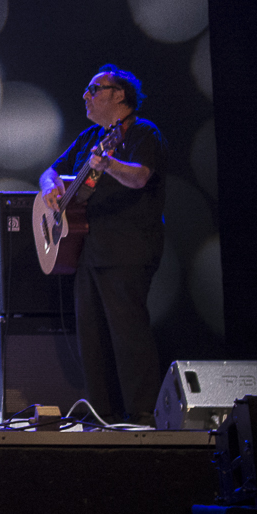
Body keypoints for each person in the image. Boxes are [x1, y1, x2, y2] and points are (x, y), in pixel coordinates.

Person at [38, 66, 165, 424]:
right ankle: (100, 416)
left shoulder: (142, 132)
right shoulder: (89, 136)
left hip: (126, 248)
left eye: (94, 88)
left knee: (128, 335)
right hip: (87, 251)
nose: (86, 96)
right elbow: (49, 171)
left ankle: (141, 416)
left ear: (119, 94)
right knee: (91, 341)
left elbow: (140, 176)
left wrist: (107, 163)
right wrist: (50, 187)